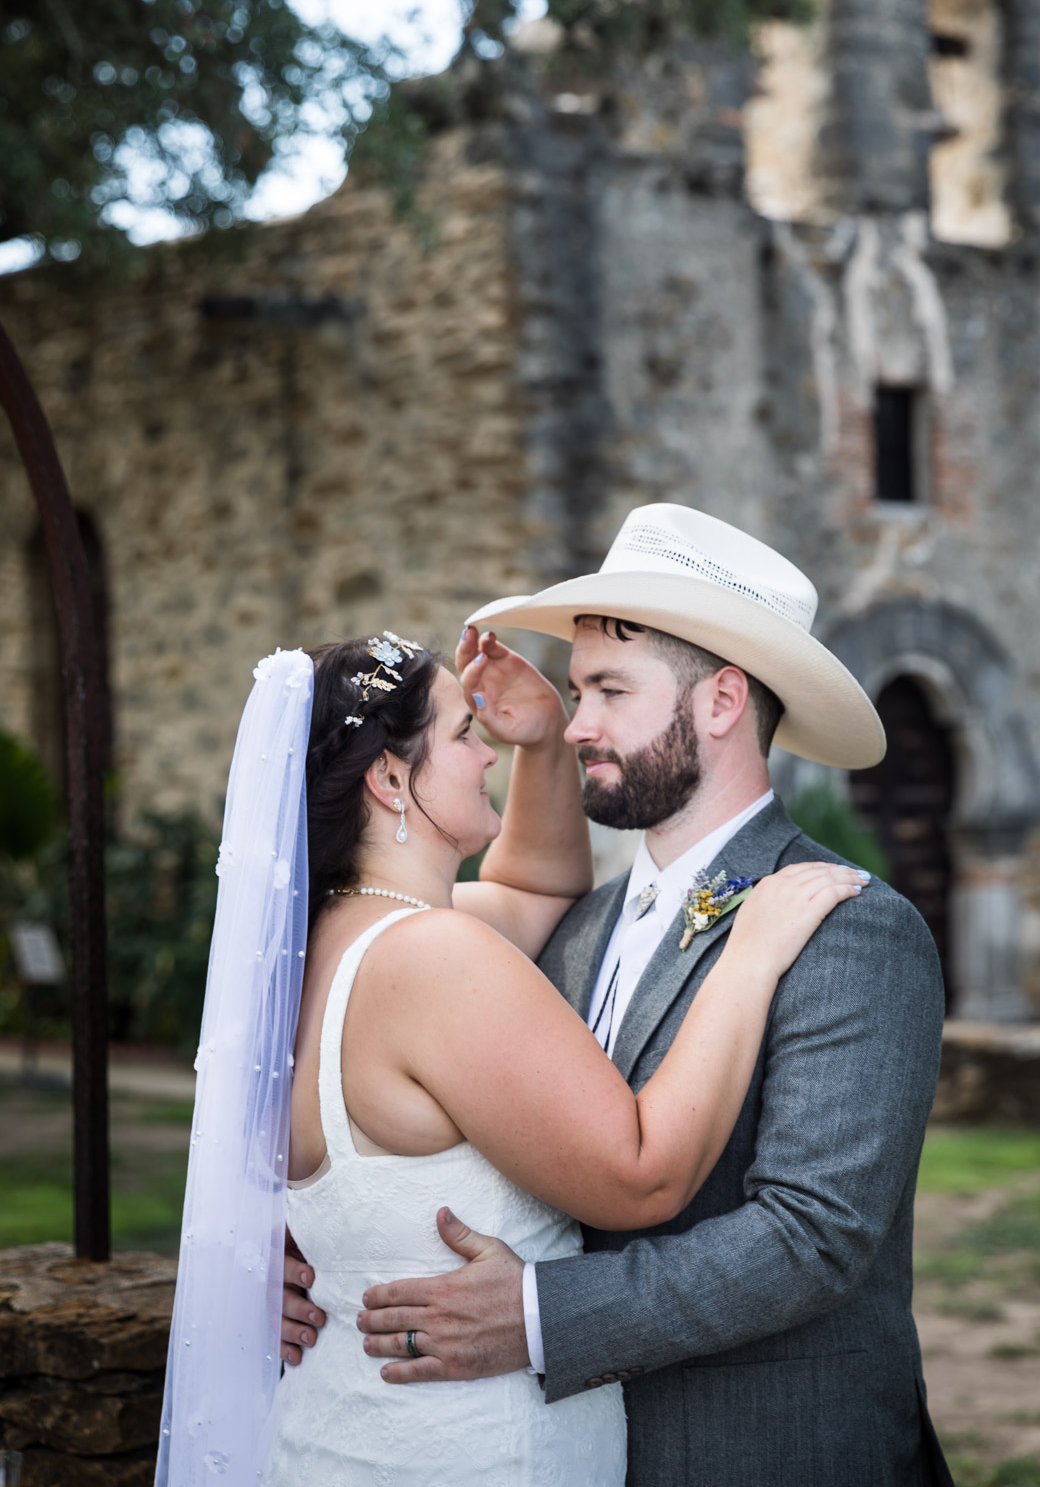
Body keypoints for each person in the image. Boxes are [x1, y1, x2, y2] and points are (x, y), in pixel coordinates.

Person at [289, 502, 954, 1487]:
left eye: (607, 690)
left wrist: (537, 1317)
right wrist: (315, 1249)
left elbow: (814, 1236)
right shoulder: (574, 929)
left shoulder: (850, 927)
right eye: (574, 691)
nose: (575, 722)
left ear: (722, 703)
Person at [161, 620, 865, 1487]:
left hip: (334, 1430)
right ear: (389, 778)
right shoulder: (431, 958)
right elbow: (641, 1172)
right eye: (465, 734)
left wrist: (538, 745)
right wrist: (749, 954)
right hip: (466, 1451)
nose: (485, 754)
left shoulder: (321, 948)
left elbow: (535, 885)